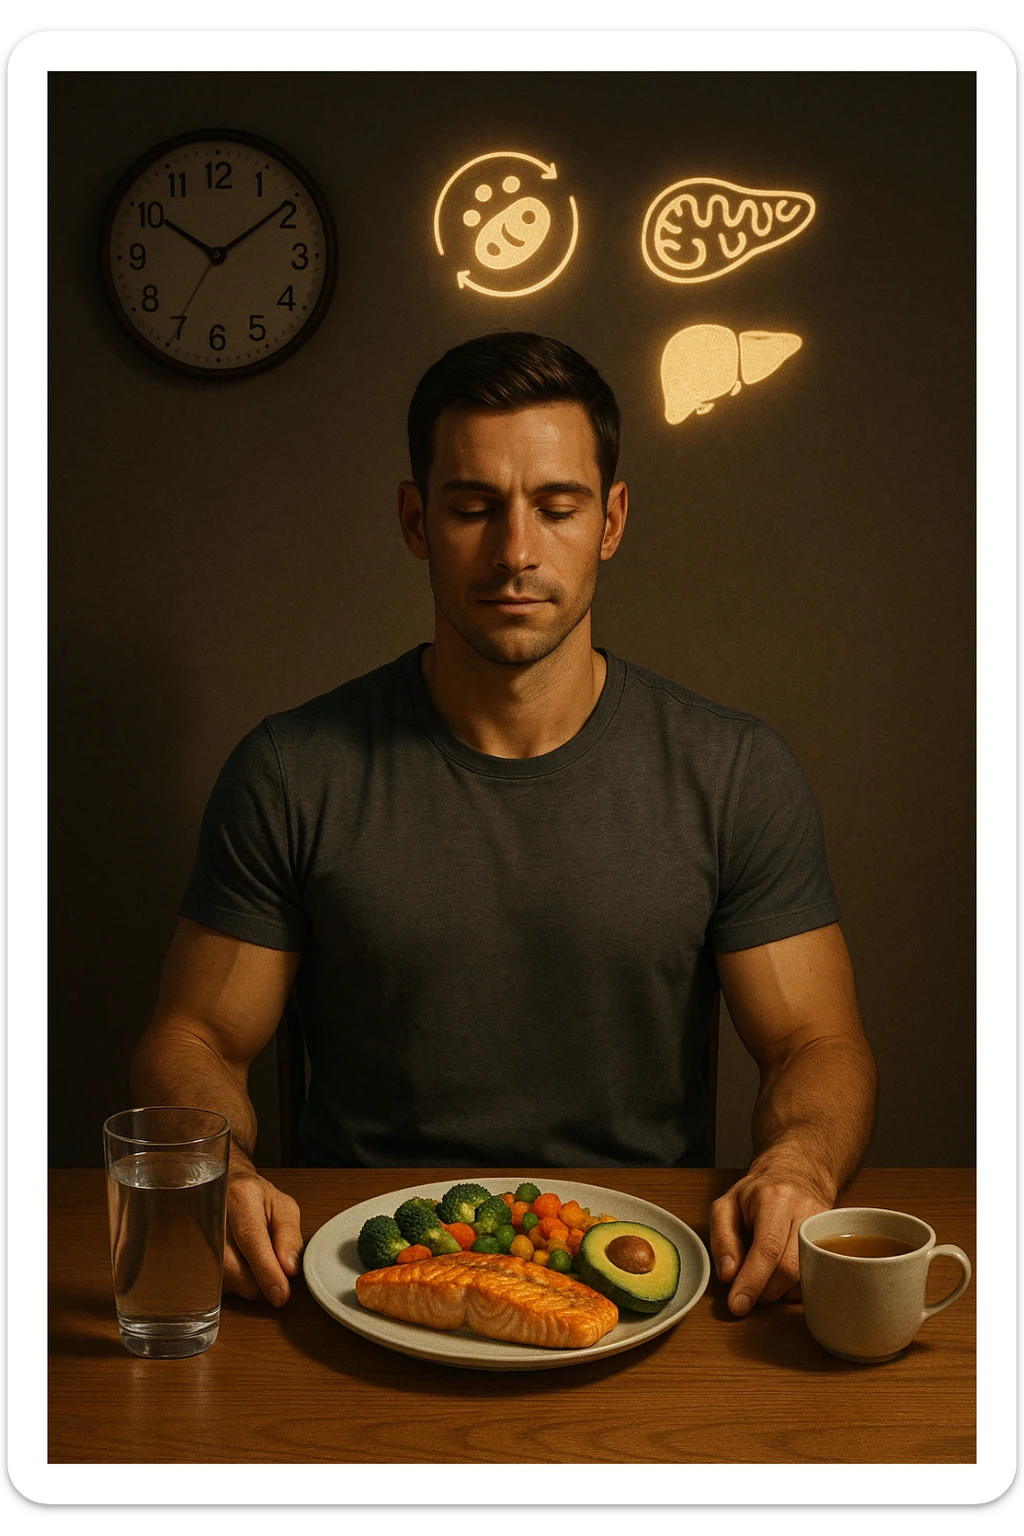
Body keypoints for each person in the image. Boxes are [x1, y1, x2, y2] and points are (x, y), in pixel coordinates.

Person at [130, 331, 877, 1320]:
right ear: (414, 519)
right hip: (360, 1276)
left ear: (610, 519)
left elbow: (814, 1044)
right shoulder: (290, 771)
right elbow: (196, 1040)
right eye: (473, 507)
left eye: (556, 507)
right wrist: (213, 1166)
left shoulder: (732, 772)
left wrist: (799, 1165)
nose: (516, 551)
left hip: (641, 1274)